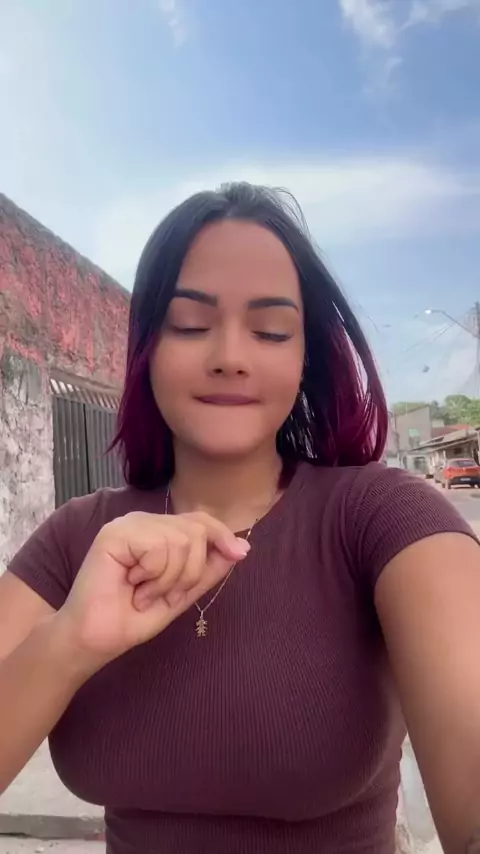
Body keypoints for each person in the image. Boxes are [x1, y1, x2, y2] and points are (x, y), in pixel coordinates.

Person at [1, 183, 479, 854]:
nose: (229, 355)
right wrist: (70, 641)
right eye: (189, 324)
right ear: (146, 348)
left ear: (304, 356)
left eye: (270, 330)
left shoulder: (383, 519)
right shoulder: (78, 538)